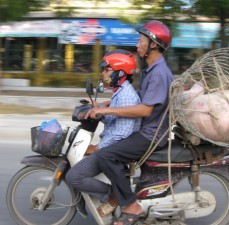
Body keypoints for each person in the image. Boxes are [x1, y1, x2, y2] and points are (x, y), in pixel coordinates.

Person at [84, 20, 174, 225]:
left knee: (107, 154)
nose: (137, 45)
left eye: (141, 40)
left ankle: (131, 204)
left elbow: (145, 109)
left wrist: (107, 110)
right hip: (147, 129)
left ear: (152, 44)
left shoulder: (159, 73)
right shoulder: (151, 69)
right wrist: (104, 104)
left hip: (150, 134)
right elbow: (139, 99)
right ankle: (118, 194)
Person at [65, 49, 142, 217]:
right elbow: (115, 122)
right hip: (112, 145)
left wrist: (97, 147)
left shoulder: (127, 96)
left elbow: (123, 132)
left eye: (107, 69)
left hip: (114, 149)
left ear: (120, 72)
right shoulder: (120, 92)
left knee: (74, 176)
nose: (103, 73)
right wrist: (98, 109)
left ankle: (113, 194)